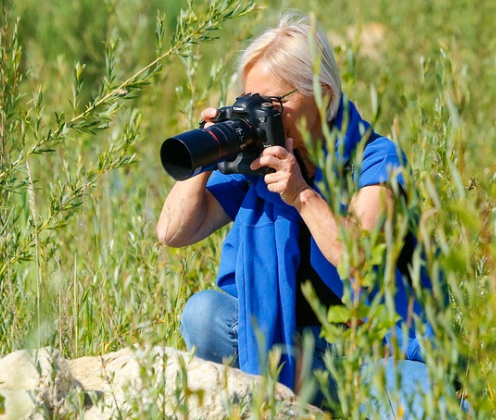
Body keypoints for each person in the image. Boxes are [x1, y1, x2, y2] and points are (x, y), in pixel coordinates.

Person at [157, 13, 441, 417]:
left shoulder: (376, 158)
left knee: (425, 404)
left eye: (271, 104)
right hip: (287, 348)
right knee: (205, 314)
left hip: (370, 352)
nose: (260, 117)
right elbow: (172, 231)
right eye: (250, 103)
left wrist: (303, 195)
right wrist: (209, 146)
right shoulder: (259, 162)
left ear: (323, 97)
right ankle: (285, 390)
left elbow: (359, 262)